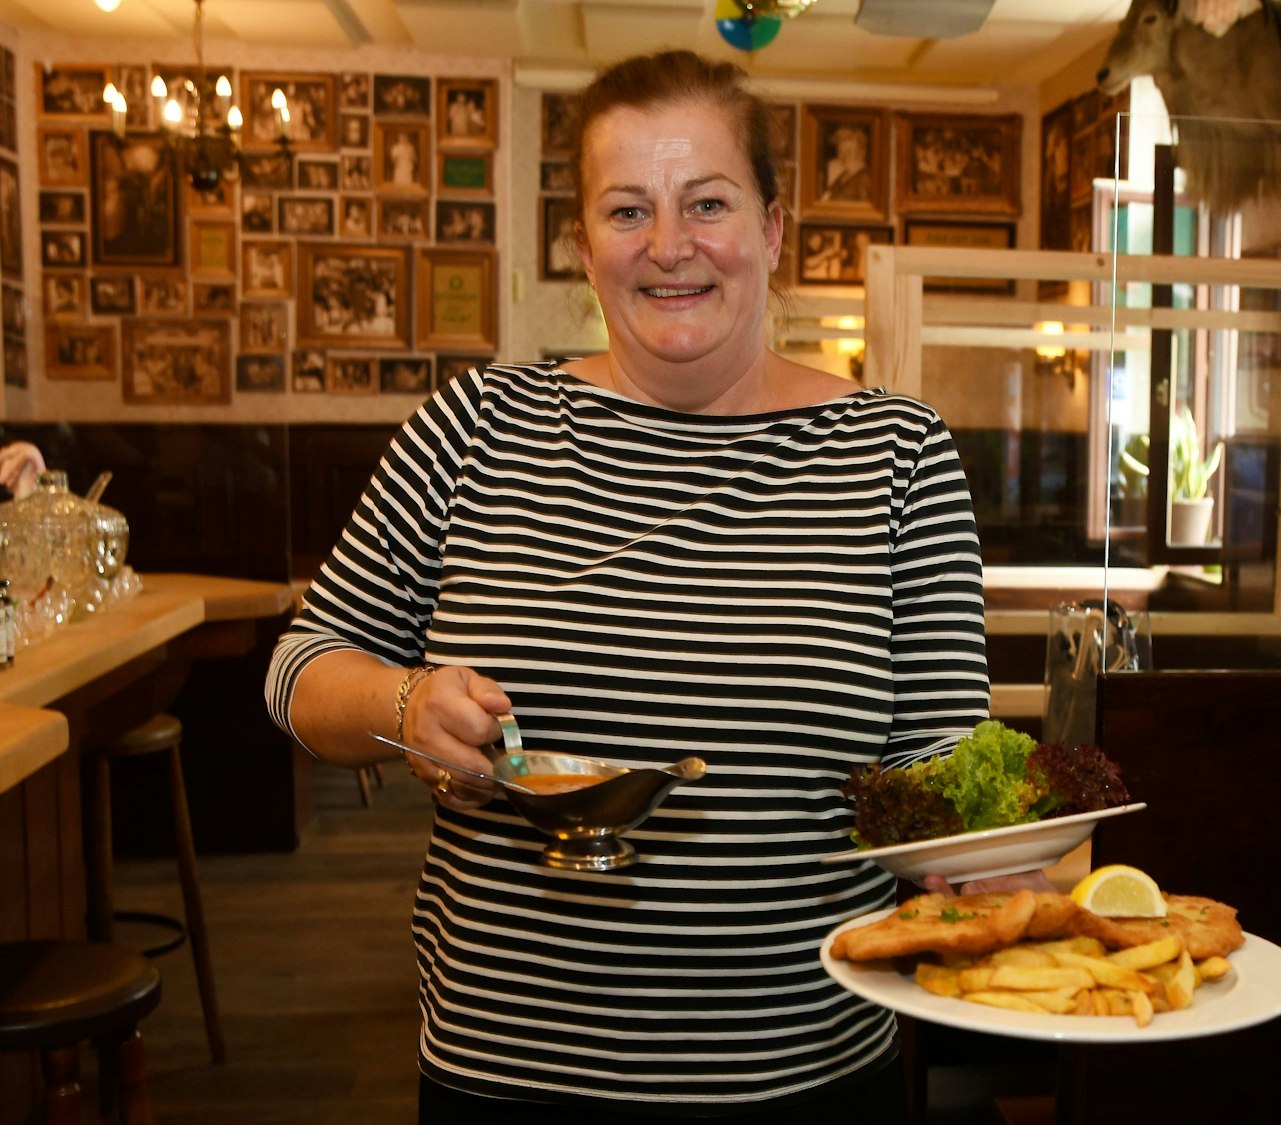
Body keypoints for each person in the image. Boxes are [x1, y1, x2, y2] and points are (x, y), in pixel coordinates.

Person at [263, 49, 987, 1123]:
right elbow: (299, 670)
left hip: (804, 1073)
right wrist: (406, 707)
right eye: (625, 210)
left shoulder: (897, 453)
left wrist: (993, 866)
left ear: (774, 229)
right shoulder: (474, 428)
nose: (668, 247)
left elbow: (939, 761)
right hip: (509, 1070)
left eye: (706, 202)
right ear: (583, 246)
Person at [821, 123, 871, 201]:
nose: (843, 156)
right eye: (841, 151)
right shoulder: (843, 175)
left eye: (848, 151)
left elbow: (865, 210)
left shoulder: (864, 178)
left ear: (862, 151)